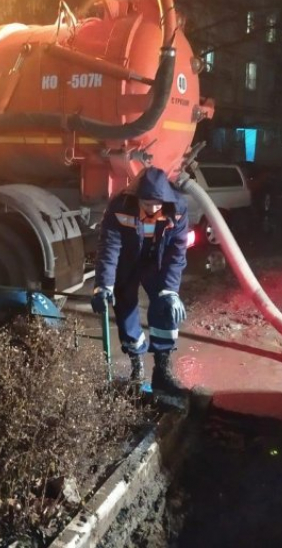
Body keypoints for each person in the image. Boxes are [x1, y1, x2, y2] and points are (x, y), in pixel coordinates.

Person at [90, 167, 189, 396]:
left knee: (166, 308)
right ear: (137, 198)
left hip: (159, 263)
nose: (153, 208)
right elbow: (109, 247)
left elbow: (177, 253)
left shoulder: (179, 209)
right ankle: (137, 366)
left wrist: (171, 291)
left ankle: (162, 371)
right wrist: (103, 284)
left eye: (157, 203)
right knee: (124, 309)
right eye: (146, 203)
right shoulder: (119, 207)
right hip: (128, 262)